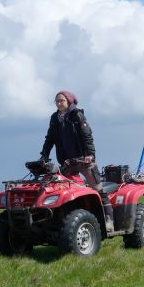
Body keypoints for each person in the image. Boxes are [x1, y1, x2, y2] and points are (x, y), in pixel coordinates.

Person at [40, 90, 114, 231]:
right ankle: (68, 220)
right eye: (57, 101)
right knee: (62, 189)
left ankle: (108, 219)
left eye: (62, 100)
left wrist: (90, 155)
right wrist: (44, 154)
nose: (59, 103)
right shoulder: (55, 118)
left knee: (97, 188)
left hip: (83, 160)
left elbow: (87, 136)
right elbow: (49, 138)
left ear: (69, 101)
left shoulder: (77, 115)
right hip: (67, 161)